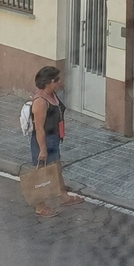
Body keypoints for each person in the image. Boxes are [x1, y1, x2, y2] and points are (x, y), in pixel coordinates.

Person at [28, 65, 83, 218]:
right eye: (56, 79)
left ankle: (63, 196)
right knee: (41, 173)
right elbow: (39, 128)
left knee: (56, 168)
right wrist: (43, 150)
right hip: (44, 140)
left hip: (53, 138)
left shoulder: (51, 94)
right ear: (48, 82)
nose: (59, 82)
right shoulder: (40, 101)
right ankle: (40, 205)